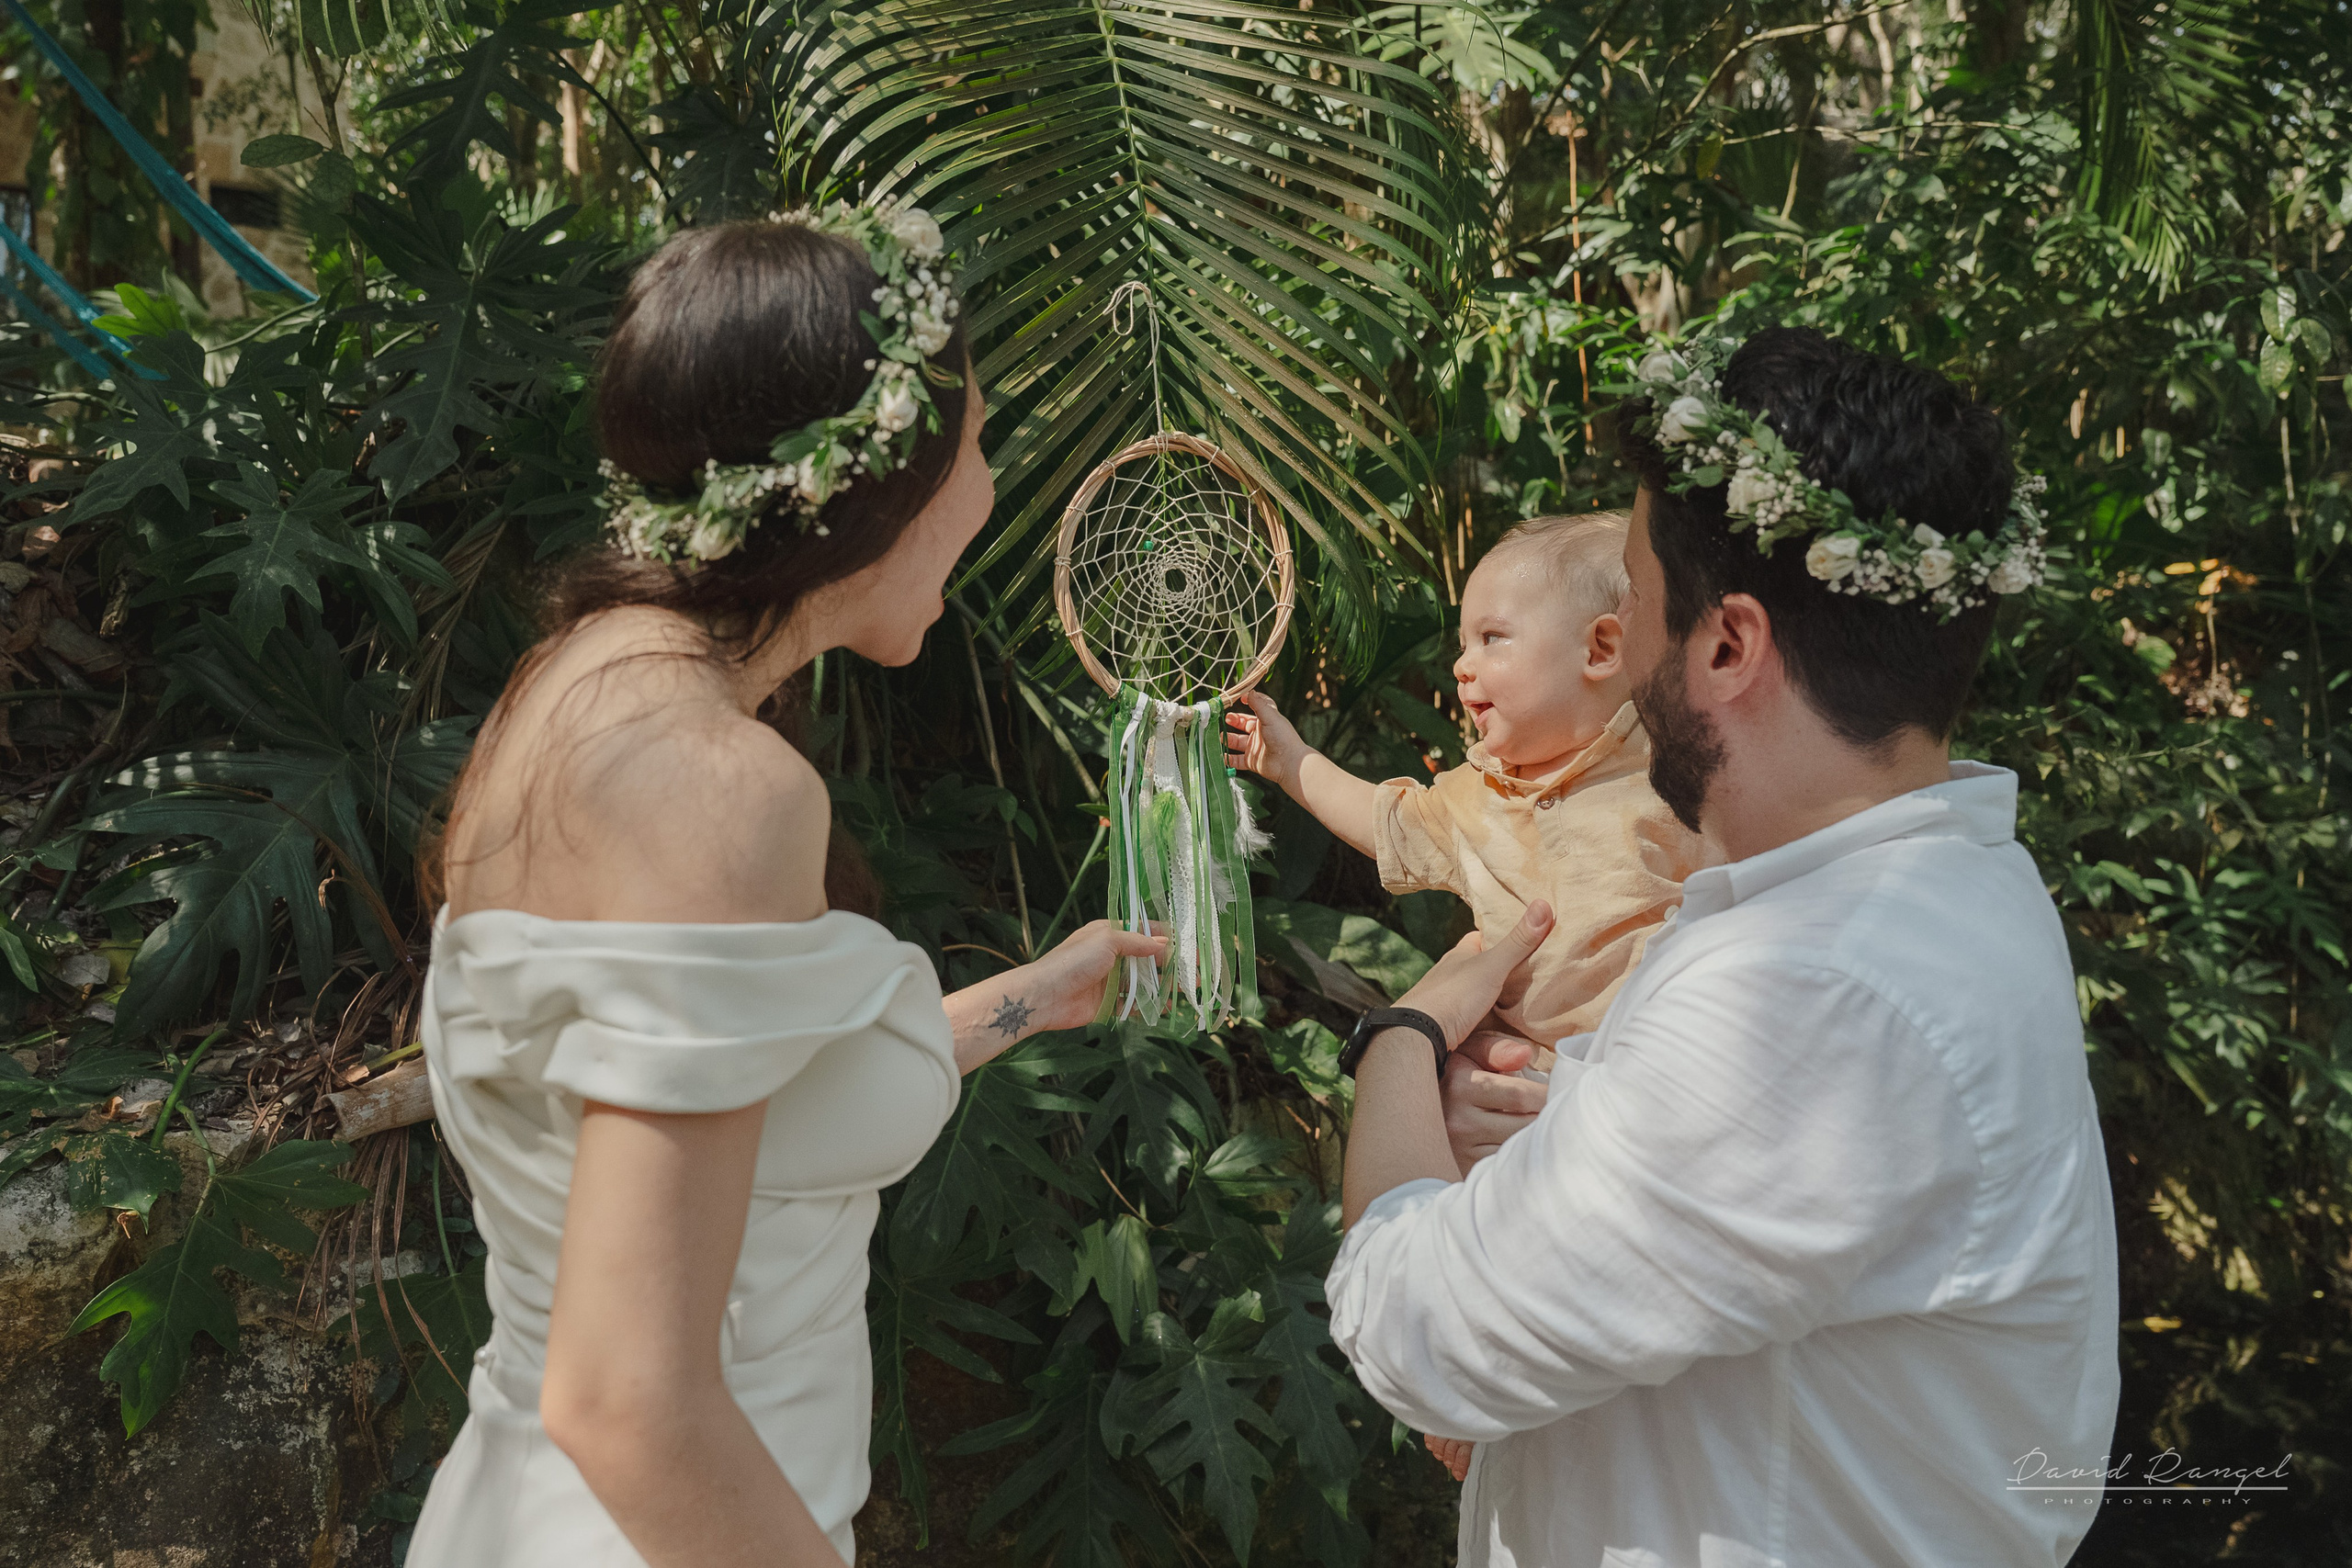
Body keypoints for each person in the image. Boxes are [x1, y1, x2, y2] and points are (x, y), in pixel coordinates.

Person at [403, 208, 1165, 1568]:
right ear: (870, 487)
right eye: (973, 443)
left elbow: (721, 1117)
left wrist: (1032, 998)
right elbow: (629, 1401)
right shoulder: (719, 788)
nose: (984, 490)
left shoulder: (575, 688)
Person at [1321, 326, 2119, 1565]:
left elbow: (1421, 1328)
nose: (1622, 643)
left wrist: (1400, 1043)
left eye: (1634, 599)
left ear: (1730, 645)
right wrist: (1550, 1104)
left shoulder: (1809, 989)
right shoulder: (1947, 887)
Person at [1225, 513, 1714, 1066]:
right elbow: (1387, 822)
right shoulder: (1473, 798)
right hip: (1536, 1071)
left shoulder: (1678, 766)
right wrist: (1294, 764)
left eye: (1492, 638)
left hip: (1676, 1056)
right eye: (1464, 644)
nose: (1462, 665)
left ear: (1600, 648)